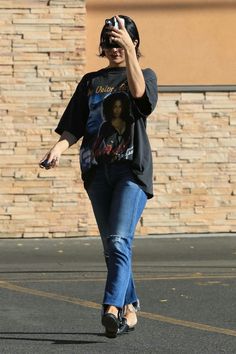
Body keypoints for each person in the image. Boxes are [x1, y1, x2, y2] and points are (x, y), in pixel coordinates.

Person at [39, 15, 158, 338]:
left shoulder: (144, 74)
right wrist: (58, 148)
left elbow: (140, 99)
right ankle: (130, 308)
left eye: (119, 41)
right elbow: (75, 124)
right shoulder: (91, 81)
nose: (113, 47)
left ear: (133, 43)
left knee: (119, 240)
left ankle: (112, 308)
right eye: (108, 42)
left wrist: (130, 53)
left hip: (130, 172)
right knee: (112, 247)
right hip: (96, 171)